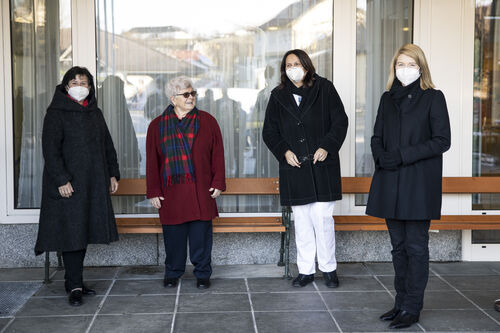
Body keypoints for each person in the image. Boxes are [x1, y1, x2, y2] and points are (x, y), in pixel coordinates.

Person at [366, 44, 451, 329]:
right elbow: (376, 136)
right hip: (390, 183)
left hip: (417, 185)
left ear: (421, 67)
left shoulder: (433, 97)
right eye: (400, 63)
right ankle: (400, 302)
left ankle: (412, 307)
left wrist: (401, 155)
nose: (404, 68)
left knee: (415, 247)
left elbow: (442, 140)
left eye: (410, 64)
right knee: (398, 248)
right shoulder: (387, 99)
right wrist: (381, 157)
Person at [34, 66, 120, 306]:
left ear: (90, 88)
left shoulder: (95, 112)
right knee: (72, 233)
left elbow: (107, 145)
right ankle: (73, 285)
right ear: (65, 86)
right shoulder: (56, 113)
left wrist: (113, 173)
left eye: (84, 83)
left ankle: (76, 280)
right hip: (68, 185)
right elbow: (50, 150)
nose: (79, 87)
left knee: (81, 232)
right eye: (74, 82)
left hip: (91, 183)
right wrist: (61, 179)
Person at [263, 49, 348, 288]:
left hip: (322, 165)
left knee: (322, 218)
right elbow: (269, 131)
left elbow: (340, 121)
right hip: (295, 167)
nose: (293, 68)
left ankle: (329, 269)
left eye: (297, 63)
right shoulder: (278, 95)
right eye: (288, 64)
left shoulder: (325, 88)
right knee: (301, 221)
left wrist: (327, 146)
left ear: (307, 66)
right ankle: (306, 270)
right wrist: (284, 152)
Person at [146, 76, 225, 290]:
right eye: (186, 94)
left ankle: (202, 274)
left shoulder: (207, 121)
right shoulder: (156, 126)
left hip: (201, 188)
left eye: (193, 94)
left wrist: (218, 181)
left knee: (201, 235)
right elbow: (152, 162)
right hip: (170, 191)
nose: (191, 98)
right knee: (174, 236)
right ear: (173, 99)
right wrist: (153, 190)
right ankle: (173, 272)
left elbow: (217, 154)